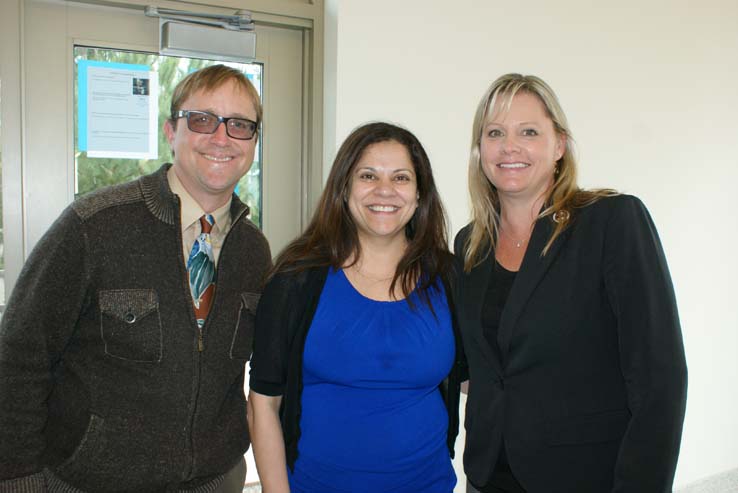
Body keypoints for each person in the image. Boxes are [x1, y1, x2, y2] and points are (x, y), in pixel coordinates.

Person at [0, 64, 271, 492]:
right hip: (90, 483)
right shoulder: (93, 226)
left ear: (254, 142)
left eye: (240, 125)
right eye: (201, 120)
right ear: (170, 131)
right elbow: (18, 358)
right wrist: (17, 479)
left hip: (215, 481)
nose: (221, 138)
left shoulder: (254, 250)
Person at [454, 74, 687, 493]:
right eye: (495, 133)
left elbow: (660, 379)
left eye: (528, 132)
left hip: (584, 475)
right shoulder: (470, 246)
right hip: (488, 476)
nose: (510, 146)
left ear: (559, 145)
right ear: (480, 150)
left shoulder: (611, 222)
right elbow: (480, 366)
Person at [248, 122, 466, 493]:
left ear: (418, 195)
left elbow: (478, 378)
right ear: (344, 188)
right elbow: (262, 406)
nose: (385, 190)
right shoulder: (295, 280)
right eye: (368, 176)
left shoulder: (450, 277)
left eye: (401, 178)